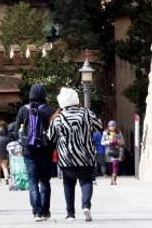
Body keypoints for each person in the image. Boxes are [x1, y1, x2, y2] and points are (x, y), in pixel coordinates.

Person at [48, 87, 103, 223]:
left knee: (68, 184)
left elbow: (51, 137)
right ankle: (86, 205)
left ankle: (70, 214)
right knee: (86, 180)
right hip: (86, 155)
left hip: (67, 157)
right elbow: (99, 127)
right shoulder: (87, 113)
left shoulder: (58, 118)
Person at [15, 84, 56, 222]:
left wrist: (23, 142)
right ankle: (45, 211)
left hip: (28, 150)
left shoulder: (23, 110)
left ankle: (36, 212)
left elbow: (16, 130)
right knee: (45, 182)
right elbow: (56, 132)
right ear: (44, 95)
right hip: (46, 151)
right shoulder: (50, 110)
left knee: (32, 182)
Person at [101, 121, 123, 185]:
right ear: (108, 126)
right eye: (110, 126)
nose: (112, 127)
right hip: (108, 151)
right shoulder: (105, 133)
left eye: (113, 126)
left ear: (115, 126)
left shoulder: (118, 132)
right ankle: (112, 178)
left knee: (115, 164)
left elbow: (122, 141)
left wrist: (118, 141)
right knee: (110, 166)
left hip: (116, 151)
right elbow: (102, 142)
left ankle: (114, 179)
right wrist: (108, 142)